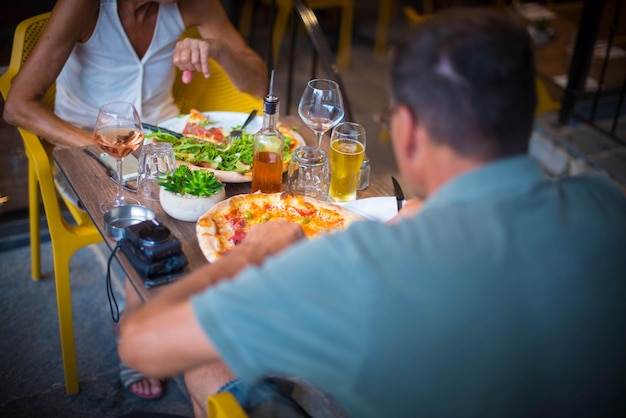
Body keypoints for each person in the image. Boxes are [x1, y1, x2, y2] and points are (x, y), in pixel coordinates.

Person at [119, 7, 626, 417]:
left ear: (405, 131)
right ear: (526, 116)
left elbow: (140, 346)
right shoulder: (605, 201)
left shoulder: (354, 264)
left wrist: (251, 254)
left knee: (208, 371)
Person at [3, 0, 267, 400]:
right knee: (152, 216)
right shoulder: (83, 7)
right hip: (84, 148)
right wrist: (103, 147)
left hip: (167, 143)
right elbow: (18, 105)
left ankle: (202, 333)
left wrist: (218, 49)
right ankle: (136, 327)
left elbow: (259, 84)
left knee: (233, 209)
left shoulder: (195, 5)